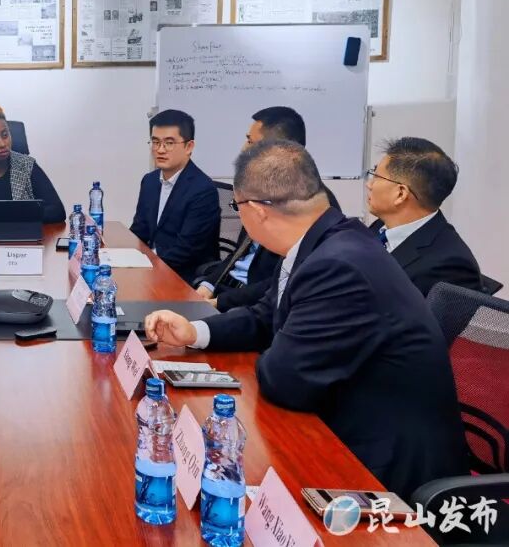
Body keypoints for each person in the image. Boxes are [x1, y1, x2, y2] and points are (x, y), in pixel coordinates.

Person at [143, 141, 468, 497]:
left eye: (238, 207)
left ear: (257, 211)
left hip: (381, 468)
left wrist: (274, 348)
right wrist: (194, 332)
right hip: (341, 423)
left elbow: (286, 379)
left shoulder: (338, 265)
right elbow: (265, 315)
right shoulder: (322, 239)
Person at [194, 106, 339, 311]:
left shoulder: (312, 203)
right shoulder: (261, 189)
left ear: (278, 150)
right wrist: (208, 286)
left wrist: (220, 302)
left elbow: (282, 282)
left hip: (255, 305)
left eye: (250, 142)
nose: (243, 149)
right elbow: (238, 254)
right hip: (227, 291)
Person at [366, 137, 482, 296]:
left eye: (376, 176)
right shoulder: (380, 227)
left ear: (401, 194)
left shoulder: (451, 267)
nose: (369, 184)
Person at [130, 109, 220, 283]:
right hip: (153, 269)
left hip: (184, 276)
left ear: (189, 147)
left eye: (169, 143)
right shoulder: (149, 181)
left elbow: (185, 251)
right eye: (155, 142)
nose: (160, 150)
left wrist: (147, 269)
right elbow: (139, 231)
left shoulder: (203, 190)